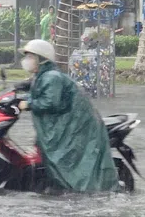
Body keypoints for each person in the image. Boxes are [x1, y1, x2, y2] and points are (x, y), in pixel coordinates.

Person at [17, 39, 119, 193]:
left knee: (72, 161)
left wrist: (29, 104)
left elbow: (50, 102)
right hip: (69, 124)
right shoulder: (43, 75)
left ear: (41, 59)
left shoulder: (52, 77)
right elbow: (39, 88)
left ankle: (83, 191)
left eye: (31, 57)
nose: (27, 61)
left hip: (77, 126)